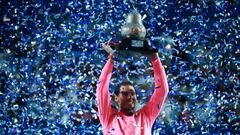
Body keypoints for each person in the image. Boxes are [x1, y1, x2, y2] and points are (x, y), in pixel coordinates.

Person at [96, 42, 169, 134]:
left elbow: (162, 91)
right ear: (116, 98)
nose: (130, 97)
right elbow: (101, 90)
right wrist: (111, 59)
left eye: (132, 93)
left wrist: (155, 58)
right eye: (125, 94)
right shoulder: (109, 118)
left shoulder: (146, 116)